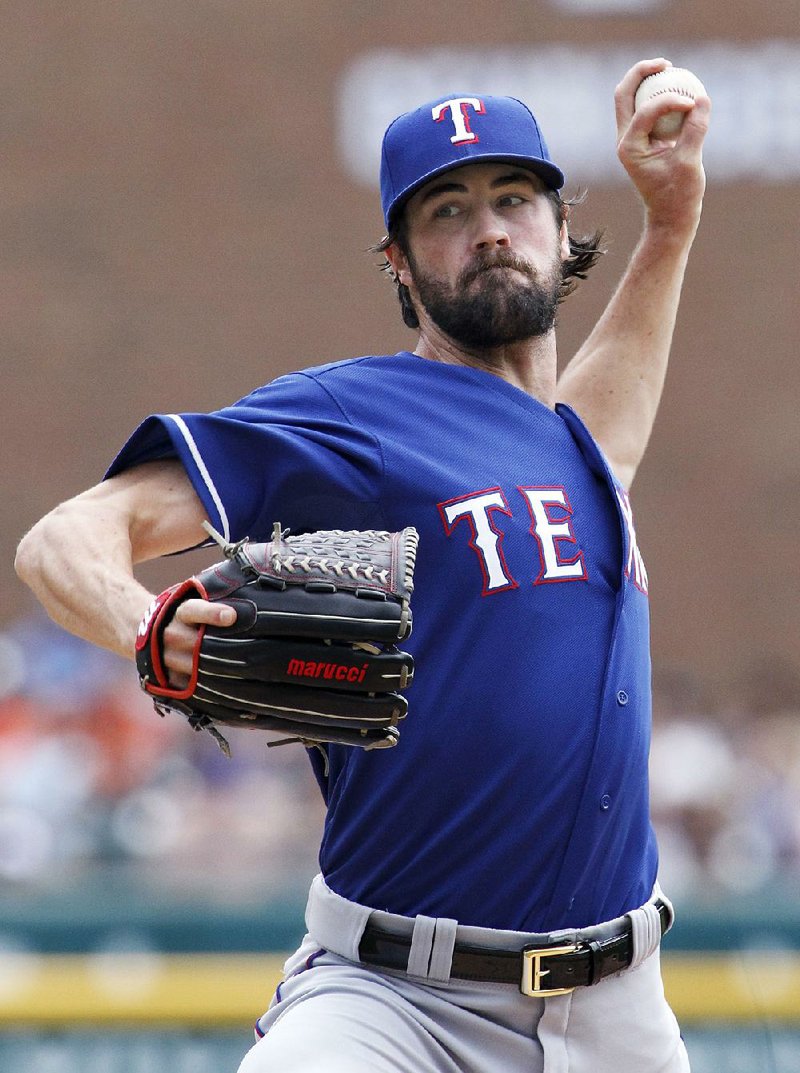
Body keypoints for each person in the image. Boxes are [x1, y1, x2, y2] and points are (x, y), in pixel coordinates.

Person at [16, 57, 709, 1073]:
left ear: (560, 229)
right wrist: (140, 620)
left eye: (513, 197)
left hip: (619, 1010)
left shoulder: (568, 455)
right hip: (398, 1000)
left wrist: (670, 224)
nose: (486, 229)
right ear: (396, 258)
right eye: (445, 209)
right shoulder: (357, 414)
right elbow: (63, 537)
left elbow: (601, 436)